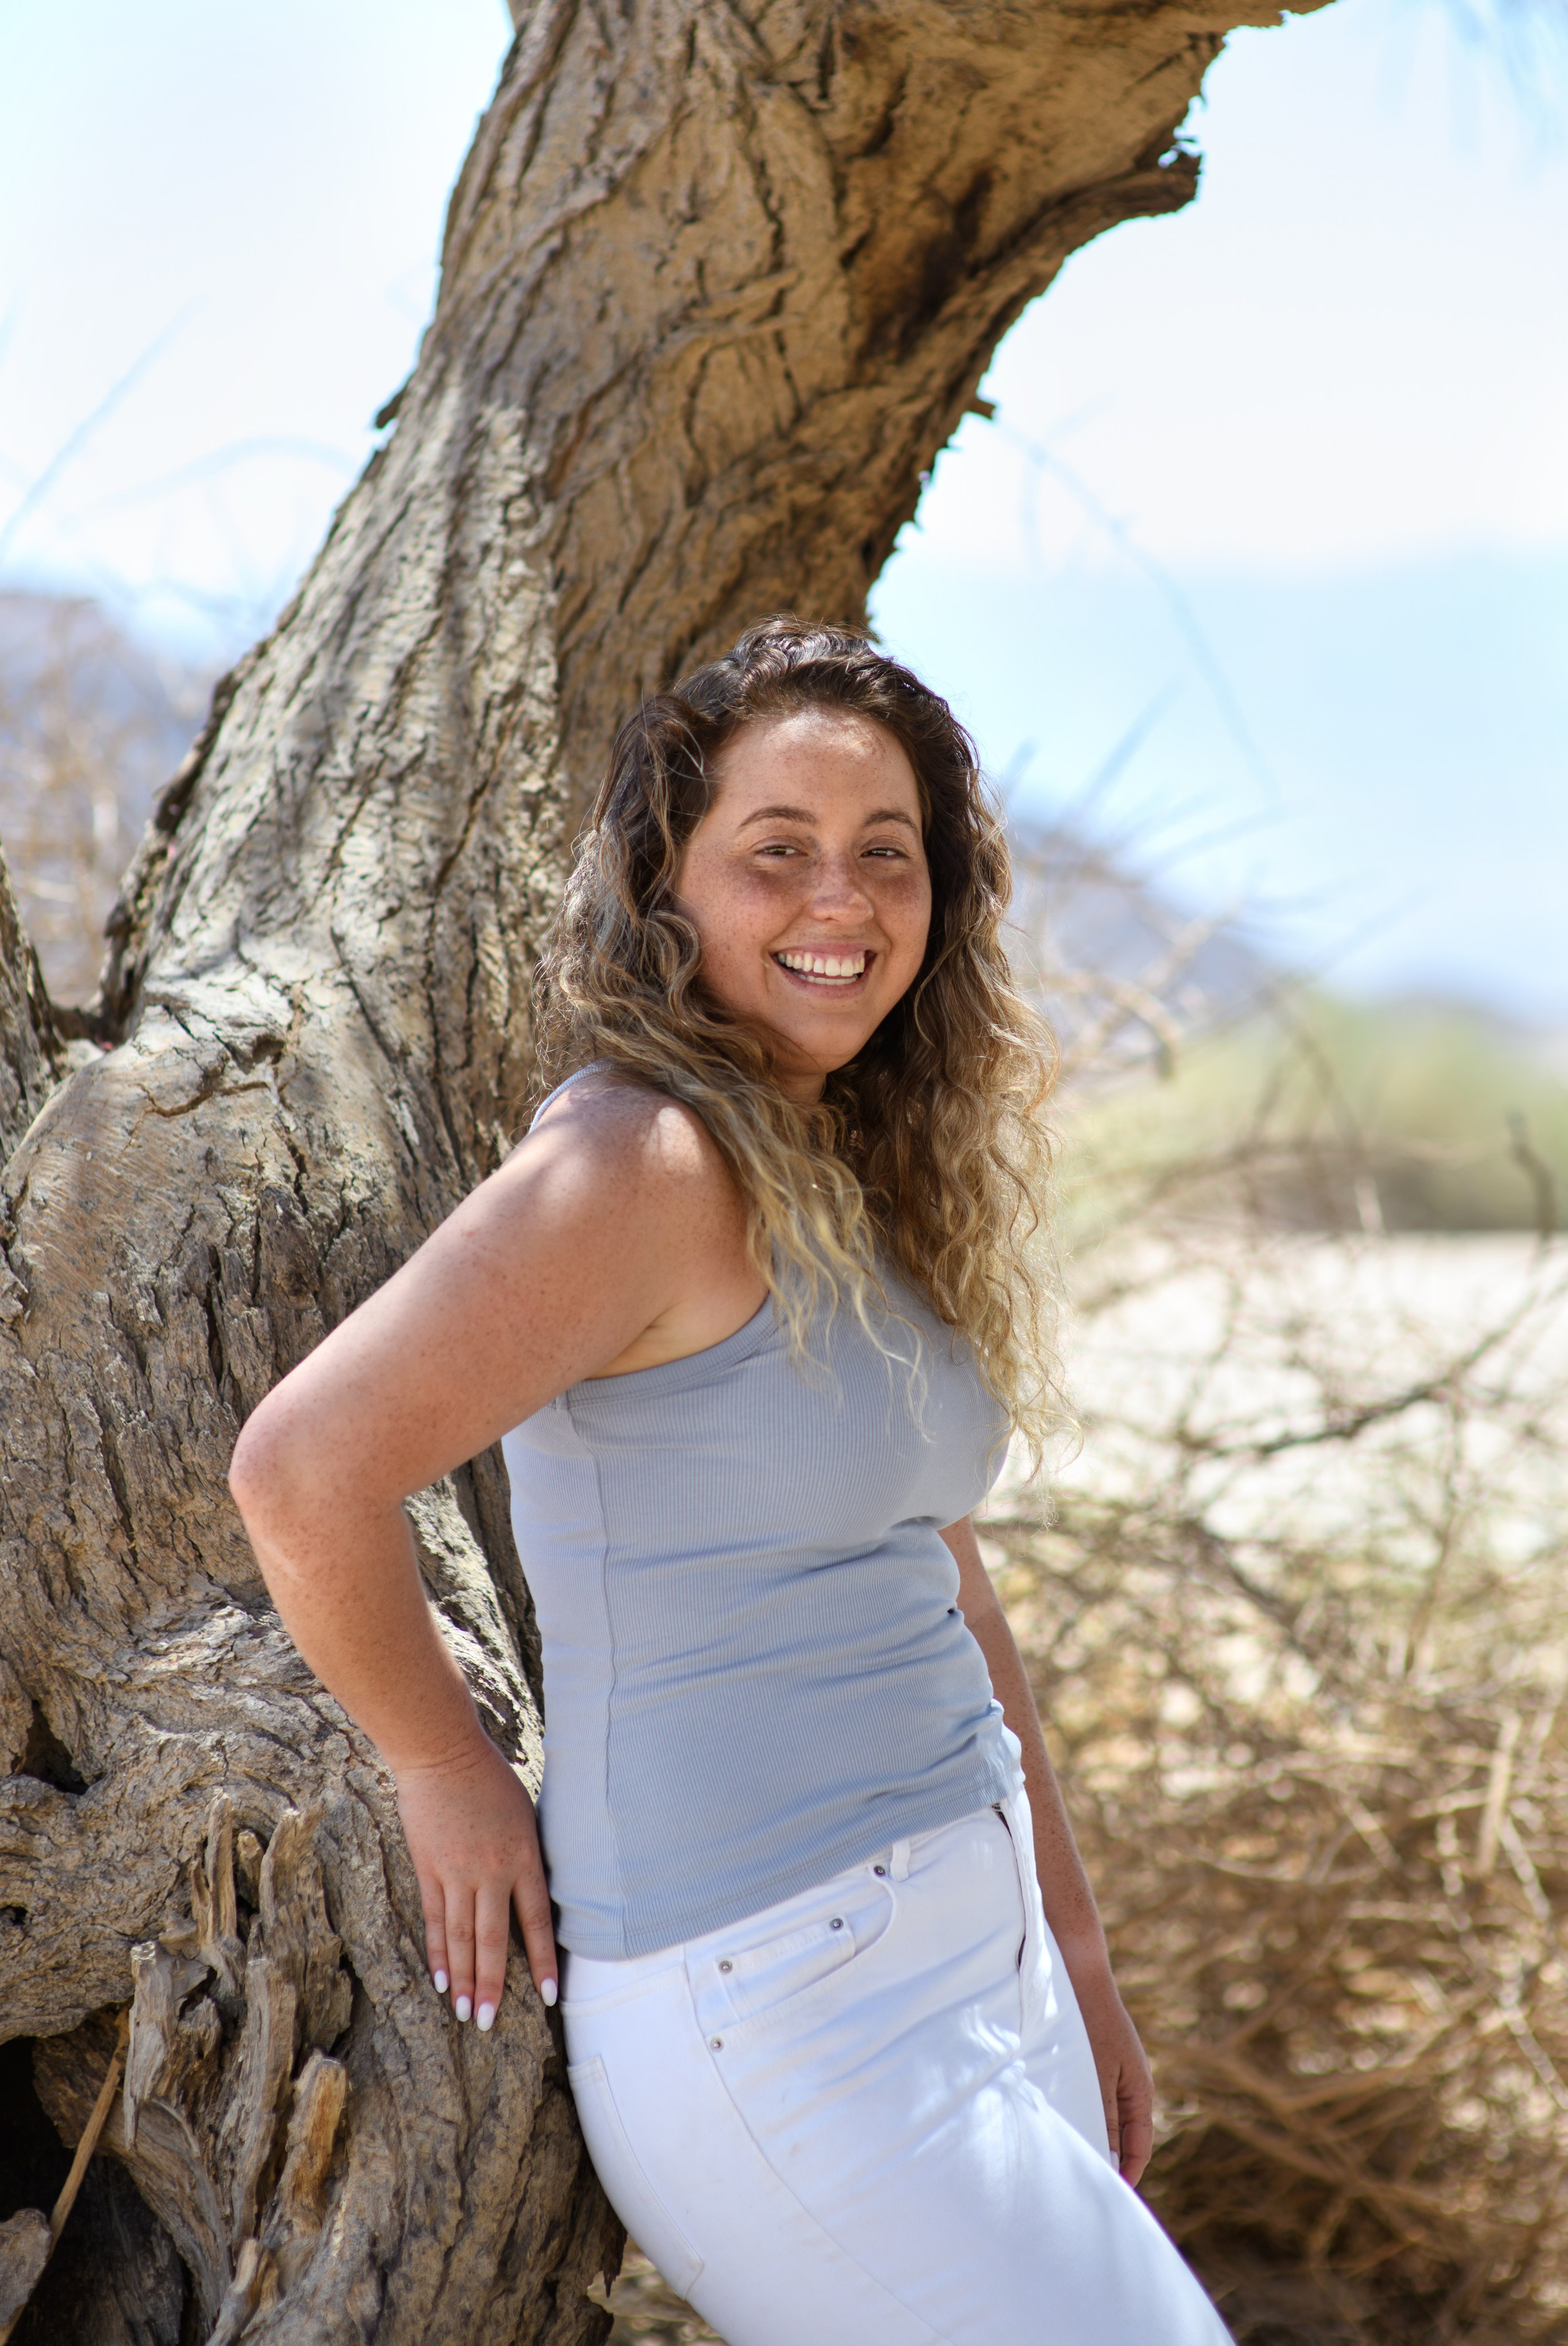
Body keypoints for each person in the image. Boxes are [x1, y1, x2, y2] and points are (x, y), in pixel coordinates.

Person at [229, 618, 1233, 2345]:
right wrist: (443, 1771)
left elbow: (943, 1575)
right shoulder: (645, 1158)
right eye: (778, 854)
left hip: (969, 1943)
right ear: (668, 887)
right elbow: (305, 1466)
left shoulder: (844, 1162)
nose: (840, 902)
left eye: (884, 857)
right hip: (776, 2006)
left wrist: (1069, 1949)